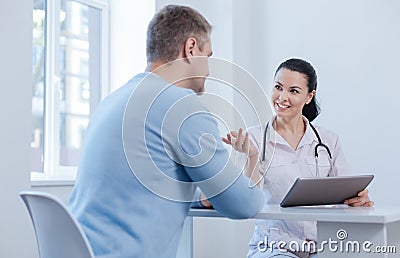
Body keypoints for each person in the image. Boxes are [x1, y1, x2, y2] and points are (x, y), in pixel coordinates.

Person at [68, 5, 264, 258]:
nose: (209, 70)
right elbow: (245, 205)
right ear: (191, 48)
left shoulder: (113, 101)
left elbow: (141, 184)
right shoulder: (181, 106)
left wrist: (198, 197)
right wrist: (253, 160)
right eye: (209, 56)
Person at [223, 58, 373, 258]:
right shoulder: (254, 139)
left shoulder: (329, 141)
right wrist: (251, 156)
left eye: (293, 91)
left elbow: (345, 195)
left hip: (322, 246)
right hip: (273, 247)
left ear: (309, 96)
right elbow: (249, 199)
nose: (282, 97)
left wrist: (357, 200)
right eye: (278, 87)